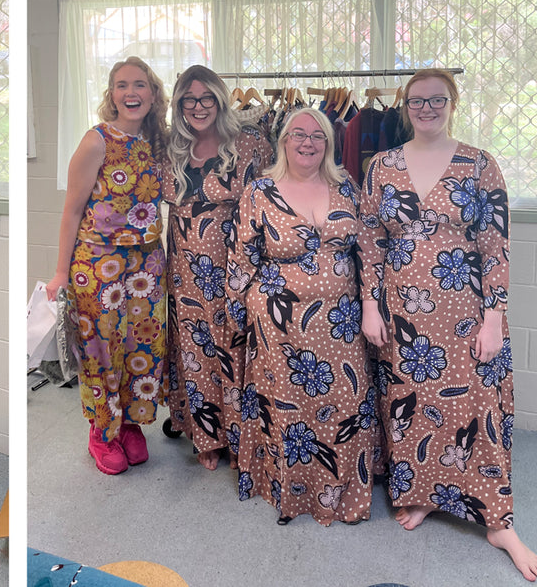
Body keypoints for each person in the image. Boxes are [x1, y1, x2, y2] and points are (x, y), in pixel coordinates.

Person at [360, 69, 537, 579]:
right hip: (403, 314)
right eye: (417, 100)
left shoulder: (481, 165)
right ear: (404, 106)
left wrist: (494, 317)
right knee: (413, 407)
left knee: (477, 406)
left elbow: (496, 245)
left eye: (437, 99)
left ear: (452, 102)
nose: (427, 107)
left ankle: (497, 520)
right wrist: (372, 307)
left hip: (465, 312)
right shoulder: (382, 166)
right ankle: (425, 494)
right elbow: (370, 243)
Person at [227, 107, 376, 525]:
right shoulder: (259, 190)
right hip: (277, 324)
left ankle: (340, 493)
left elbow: (367, 252)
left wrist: (372, 305)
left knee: (343, 403)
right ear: (283, 141)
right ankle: (291, 492)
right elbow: (242, 256)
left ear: (328, 145)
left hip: (341, 323)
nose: (307, 142)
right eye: (298, 134)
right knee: (288, 410)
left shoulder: (347, 186)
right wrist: (236, 315)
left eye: (317, 135)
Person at [46, 56, 169, 475]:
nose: (130, 93)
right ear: (111, 94)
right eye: (121, 85)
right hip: (98, 264)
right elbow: (70, 211)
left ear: (153, 95)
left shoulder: (159, 142)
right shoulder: (96, 140)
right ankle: (102, 430)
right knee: (102, 349)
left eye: (139, 85)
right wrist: (61, 273)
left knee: (142, 346)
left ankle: (131, 423)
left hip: (148, 263)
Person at [162, 65, 274, 471]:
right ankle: (205, 434)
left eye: (207, 98)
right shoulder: (170, 149)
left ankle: (240, 434)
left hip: (235, 266)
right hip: (182, 270)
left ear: (220, 100)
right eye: (189, 99)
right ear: (179, 105)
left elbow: (270, 208)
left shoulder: (251, 145)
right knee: (194, 350)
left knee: (235, 346)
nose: (198, 107)